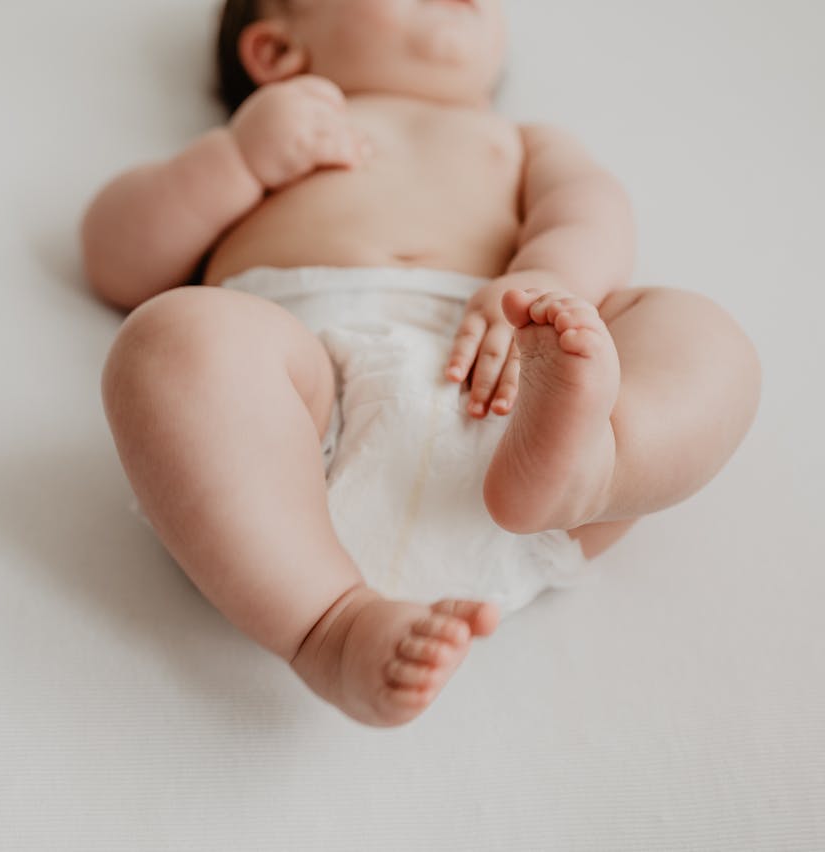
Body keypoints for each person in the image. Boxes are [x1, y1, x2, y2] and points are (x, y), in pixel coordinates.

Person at [81, 0, 760, 727]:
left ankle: (590, 471)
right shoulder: (277, 135)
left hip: (514, 388)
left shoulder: (526, 142)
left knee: (705, 336)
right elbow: (115, 257)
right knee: (171, 339)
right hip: (301, 419)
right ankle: (330, 624)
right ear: (278, 53)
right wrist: (237, 159)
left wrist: (548, 279)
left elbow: (590, 210)